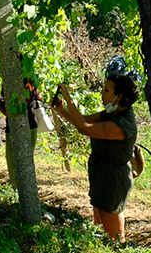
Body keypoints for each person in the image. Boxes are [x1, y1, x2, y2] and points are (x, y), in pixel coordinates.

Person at [51, 74, 139, 242]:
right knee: (99, 222)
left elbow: (84, 128)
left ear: (119, 96)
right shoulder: (111, 113)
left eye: (106, 90)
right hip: (102, 172)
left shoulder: (122, 124)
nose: (102, 93)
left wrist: (69, 99)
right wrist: (61, 110)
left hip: (113, 178)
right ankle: (106, 251)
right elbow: (82, 121)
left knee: (112, 233)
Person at [0, 77, 40, 189]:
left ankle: (19, 191)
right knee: (26, 162)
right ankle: (25, 190)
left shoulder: (11, 82)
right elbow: (39, 98)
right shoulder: (31, 80)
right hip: (32, 125)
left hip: (15, 128)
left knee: (13, 165)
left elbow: (16, 113)